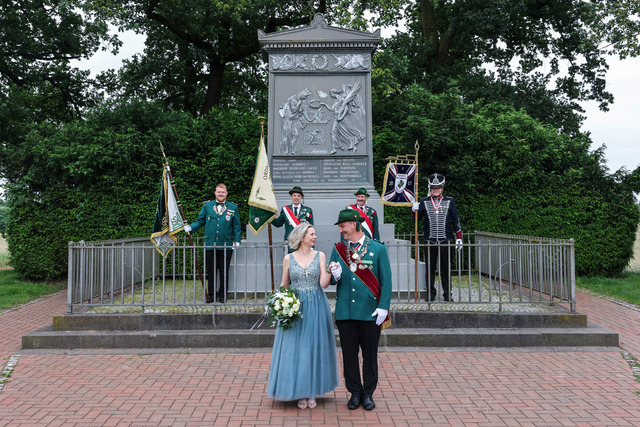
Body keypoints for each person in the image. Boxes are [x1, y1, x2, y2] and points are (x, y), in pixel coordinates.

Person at [268, 222, 339, 409]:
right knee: (297, 349)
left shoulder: (320, 255)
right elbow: (284, 284)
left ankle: (311, 391)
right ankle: (300, 391)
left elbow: (323, 284)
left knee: (313, 347)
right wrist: (281, 303)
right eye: (312, 234)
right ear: (301, 237)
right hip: (296, 307)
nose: (315, 237)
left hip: (317, 305)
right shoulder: (288, 258)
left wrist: (330, 271)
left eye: (315, 234)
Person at [328, 209, 392, 411]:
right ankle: (355, 392)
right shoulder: (338, 249)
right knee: (349, 355)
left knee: (370, 355)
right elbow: (332, 281)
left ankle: (368, 393)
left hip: (370, 312)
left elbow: (386, 281)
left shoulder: (378, 249)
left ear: (354, 224)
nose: (340, 230)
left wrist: (383, 307)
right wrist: (336, 275)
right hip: (346, 312)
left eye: (342, 226)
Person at [184, 184, 241, 303]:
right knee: (211, 272)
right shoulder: (207, 206)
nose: (220, 194)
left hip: (225, 244)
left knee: (224, 272)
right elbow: (200, 221)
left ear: (226, 194)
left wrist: (237, 240)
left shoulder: (233, 207)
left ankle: (223, 295)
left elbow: (236, 225)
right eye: (218, 192)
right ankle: (211, 295)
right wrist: (191, 227)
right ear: (215, 193)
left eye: (223, 192)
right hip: (210, 243)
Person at [412, 173, 463, 302]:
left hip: (446, 239)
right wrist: (414, 211)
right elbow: (416, 221)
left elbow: (455, 220)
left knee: (446, 268)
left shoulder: (449, 201)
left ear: (442, 188)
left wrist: (459, 237)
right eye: (433, 188)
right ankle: (431, 293)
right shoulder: (424, 201)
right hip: (429, 240)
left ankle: (447, 294)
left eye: (438, 188)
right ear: (430, 188)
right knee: (429, 268)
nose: (436, 190)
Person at [271, 186, 314, 252]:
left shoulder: (308, 210)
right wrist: (270, 217)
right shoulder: (285, 210)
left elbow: (311, 229)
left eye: (298, 196)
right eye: (294, 195)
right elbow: (278, 223)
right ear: (291, 197)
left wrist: (311, 246)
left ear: (301, 198)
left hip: (303, 243)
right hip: (290, 243)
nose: (296, 197)